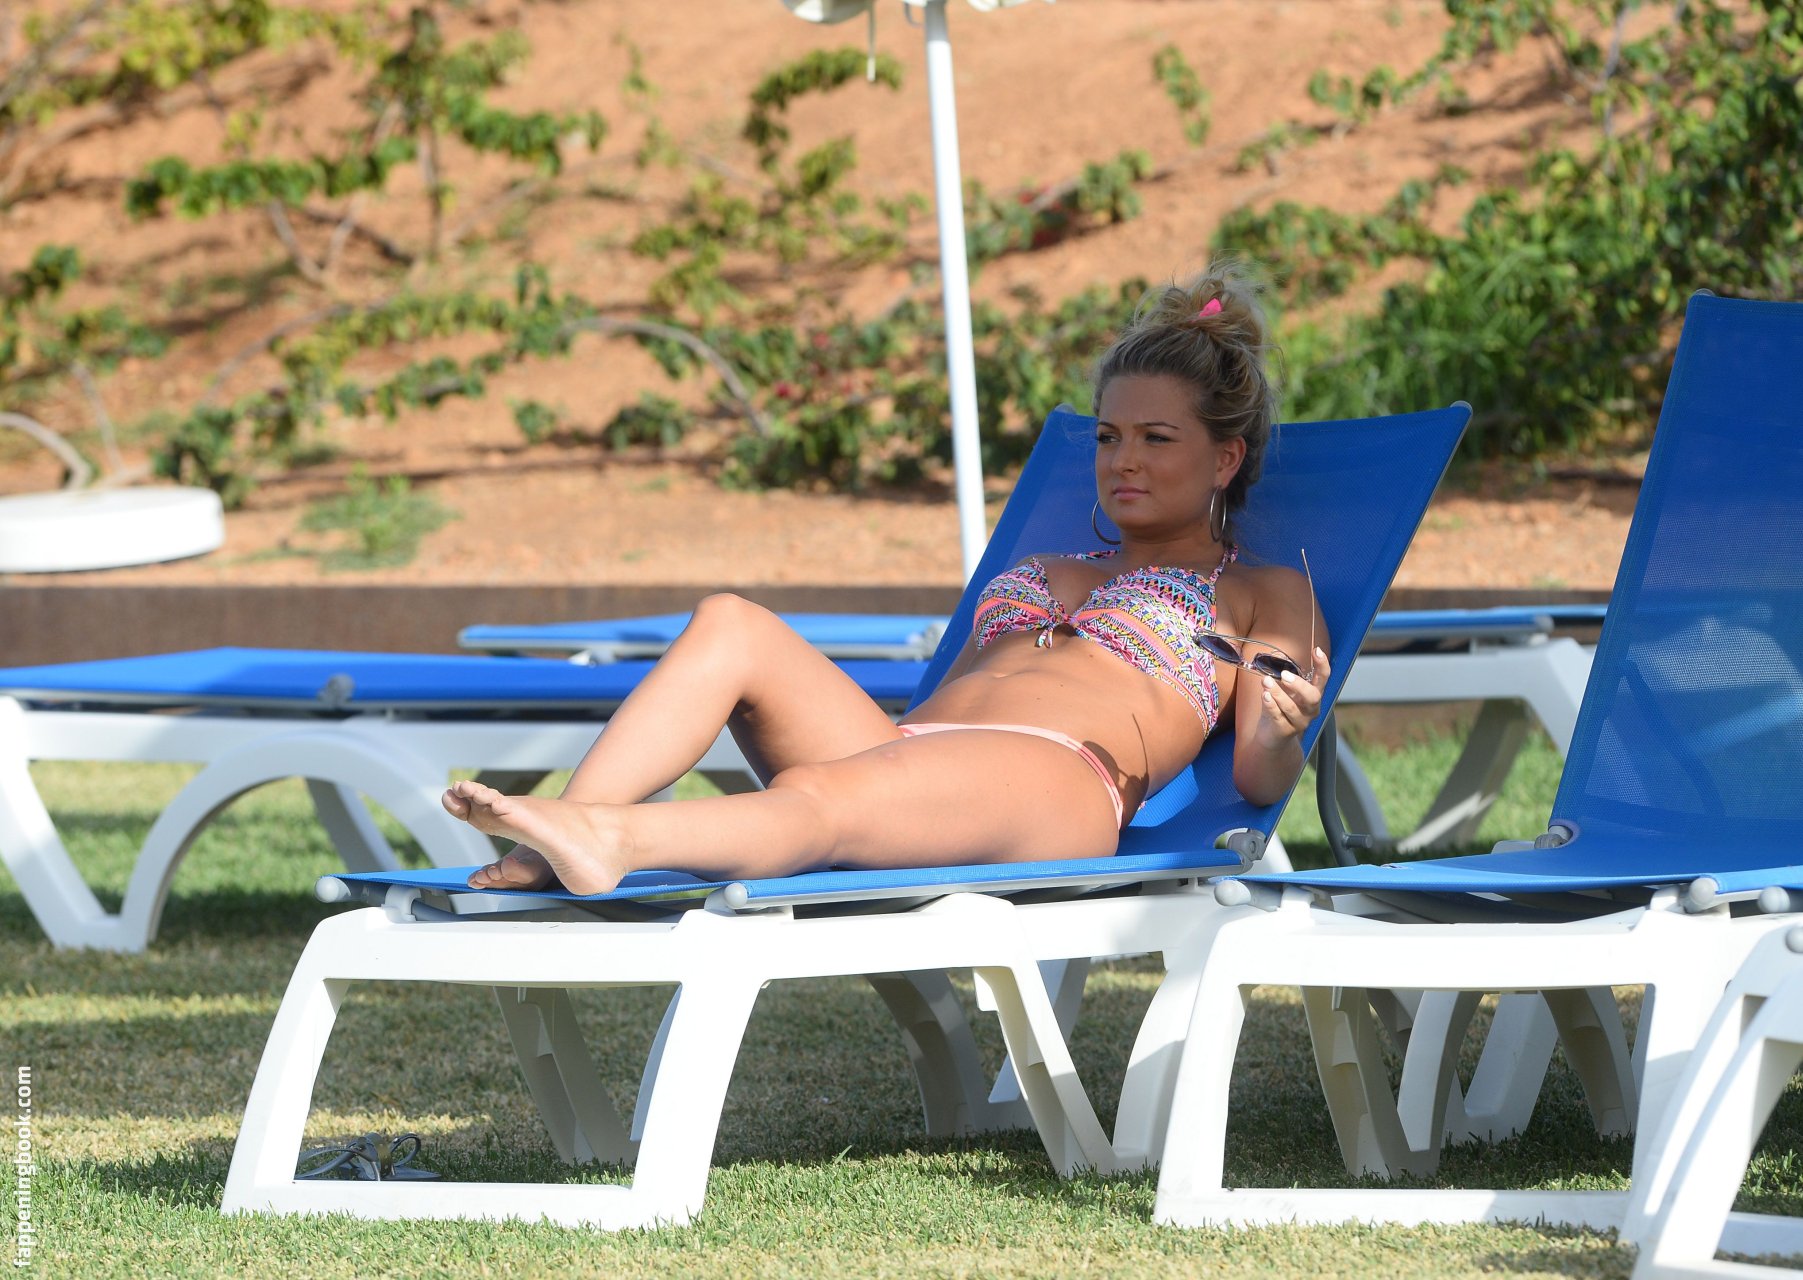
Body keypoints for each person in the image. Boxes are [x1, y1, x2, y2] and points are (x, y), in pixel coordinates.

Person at [443, 262, 1329, 896]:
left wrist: (1284, 730)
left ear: (1224, 458)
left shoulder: (1261, 592)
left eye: (1155, 439)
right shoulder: (1050, 567)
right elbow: (950, 704)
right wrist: (905, 755)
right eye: (1107, 437)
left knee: (823, 796)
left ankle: (615, 838)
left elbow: (1258, 777)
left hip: (1057, 785)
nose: (1121, 459)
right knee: (730, 623)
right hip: (914, 756)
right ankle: (560, 835)